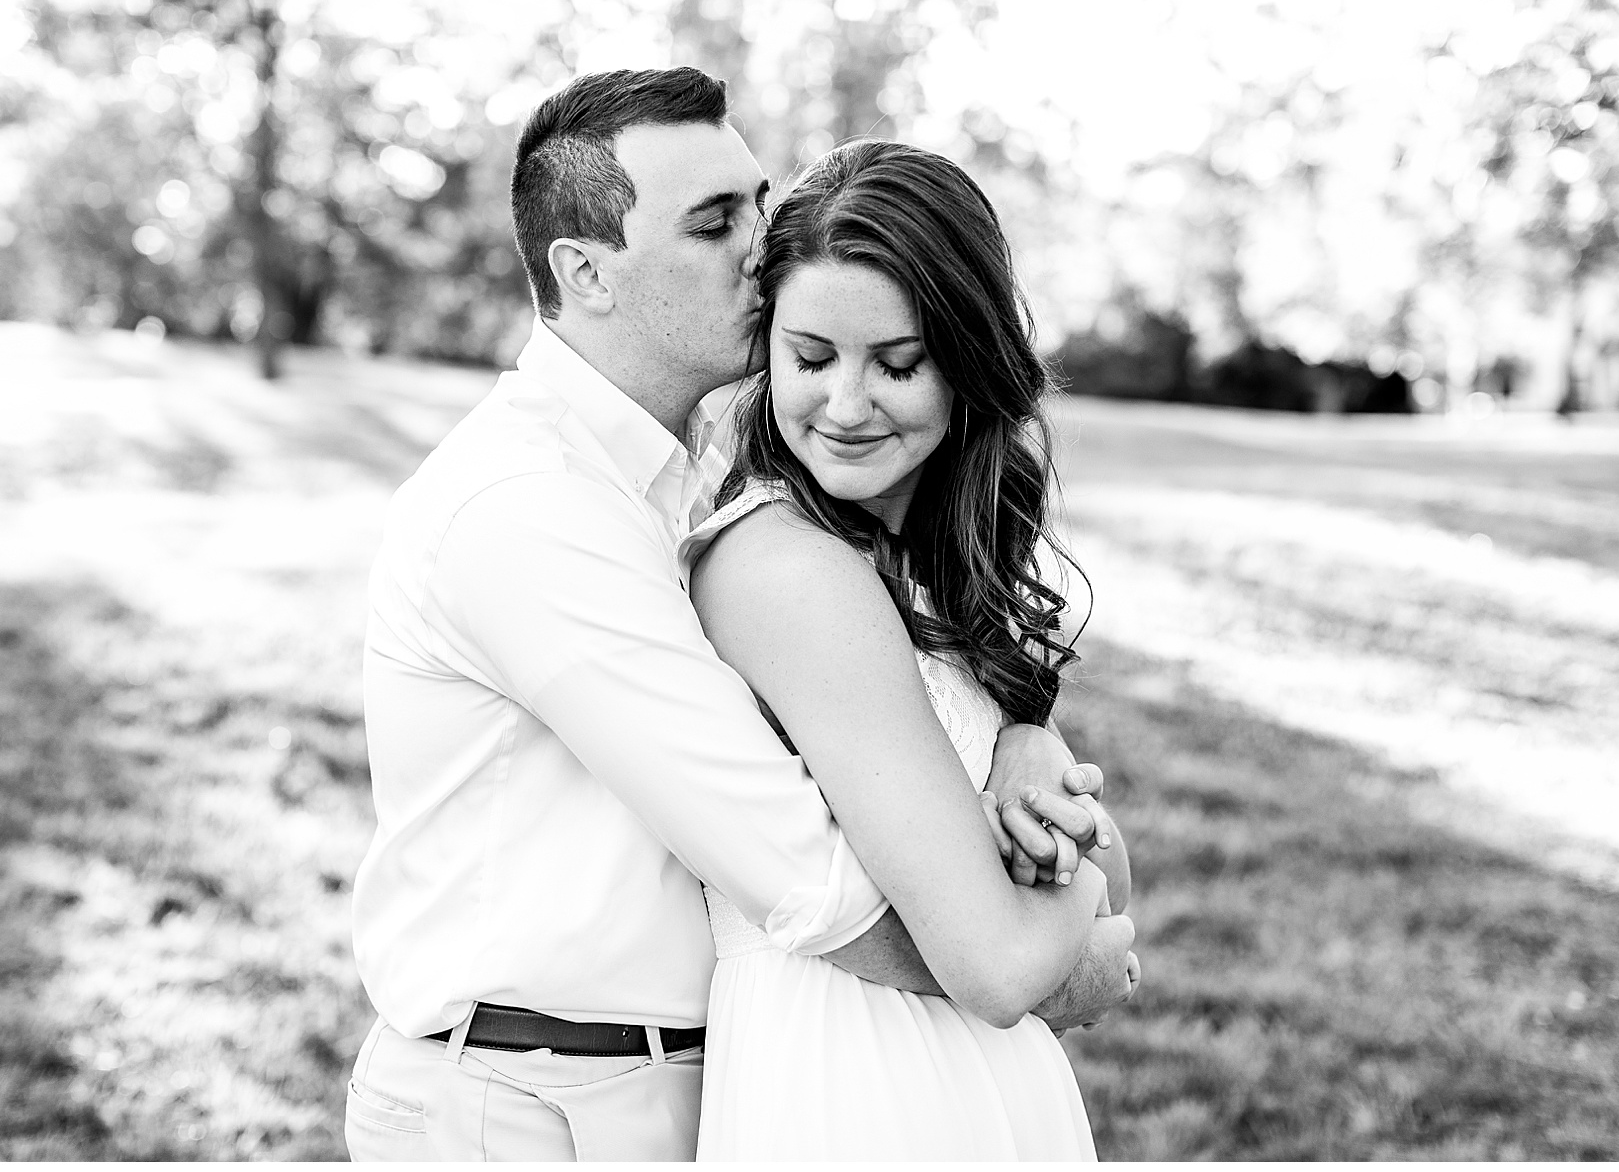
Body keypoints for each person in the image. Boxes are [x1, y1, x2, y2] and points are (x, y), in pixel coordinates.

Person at [344, 67, 1135, 1162]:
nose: (760, 248)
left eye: (758, 204)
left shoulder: (687, 476)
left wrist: (1026, 744)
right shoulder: (529, 508)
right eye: (715, 222)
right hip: (527, 1099)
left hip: (673, 1077)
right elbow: (811, 878)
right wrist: (1063, 951)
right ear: (585, 270)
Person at [684, 139, 1131, 1159]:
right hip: (857, 1089)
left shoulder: (923, 562)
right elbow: (999, 964)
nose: (843, 407)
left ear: (968, 359)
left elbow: (1107, 876)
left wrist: (1031, 743)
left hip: (981, 1083)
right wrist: (1082, 904)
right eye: (809, 359)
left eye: (896, 364)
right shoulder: (786, 572)